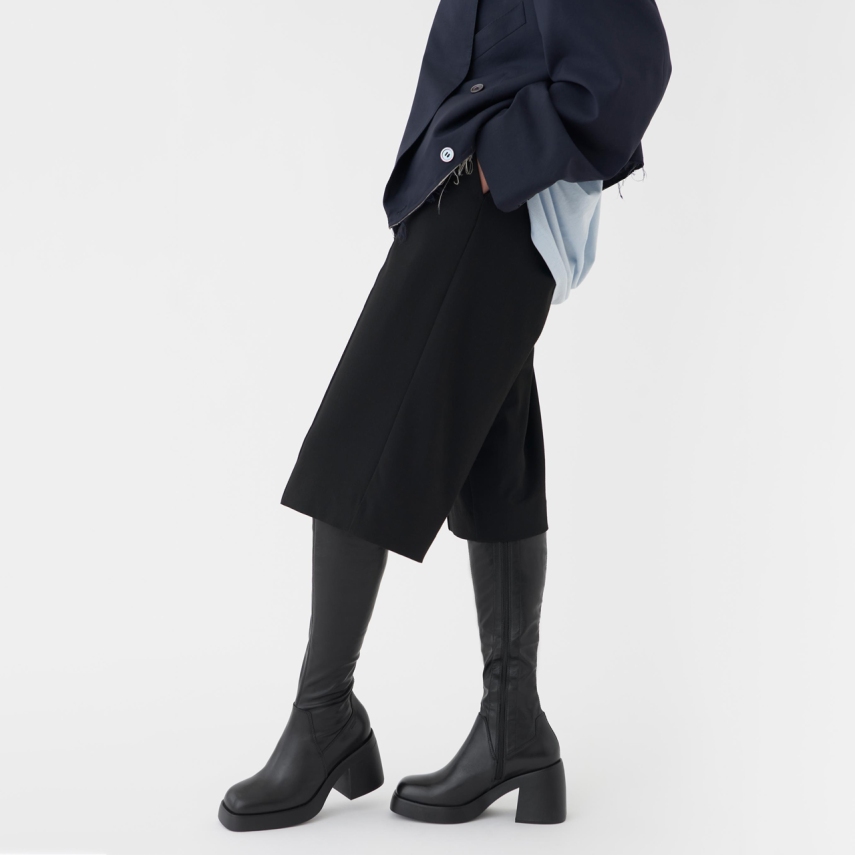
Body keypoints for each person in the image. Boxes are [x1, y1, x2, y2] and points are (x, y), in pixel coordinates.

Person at [217, 0, 672, 831]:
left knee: (361, 431)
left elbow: (628, 68)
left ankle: (325, 716)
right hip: (468, 193)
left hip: (492, 201)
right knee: (495, 452)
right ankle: (513, 727)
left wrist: (501, 159)